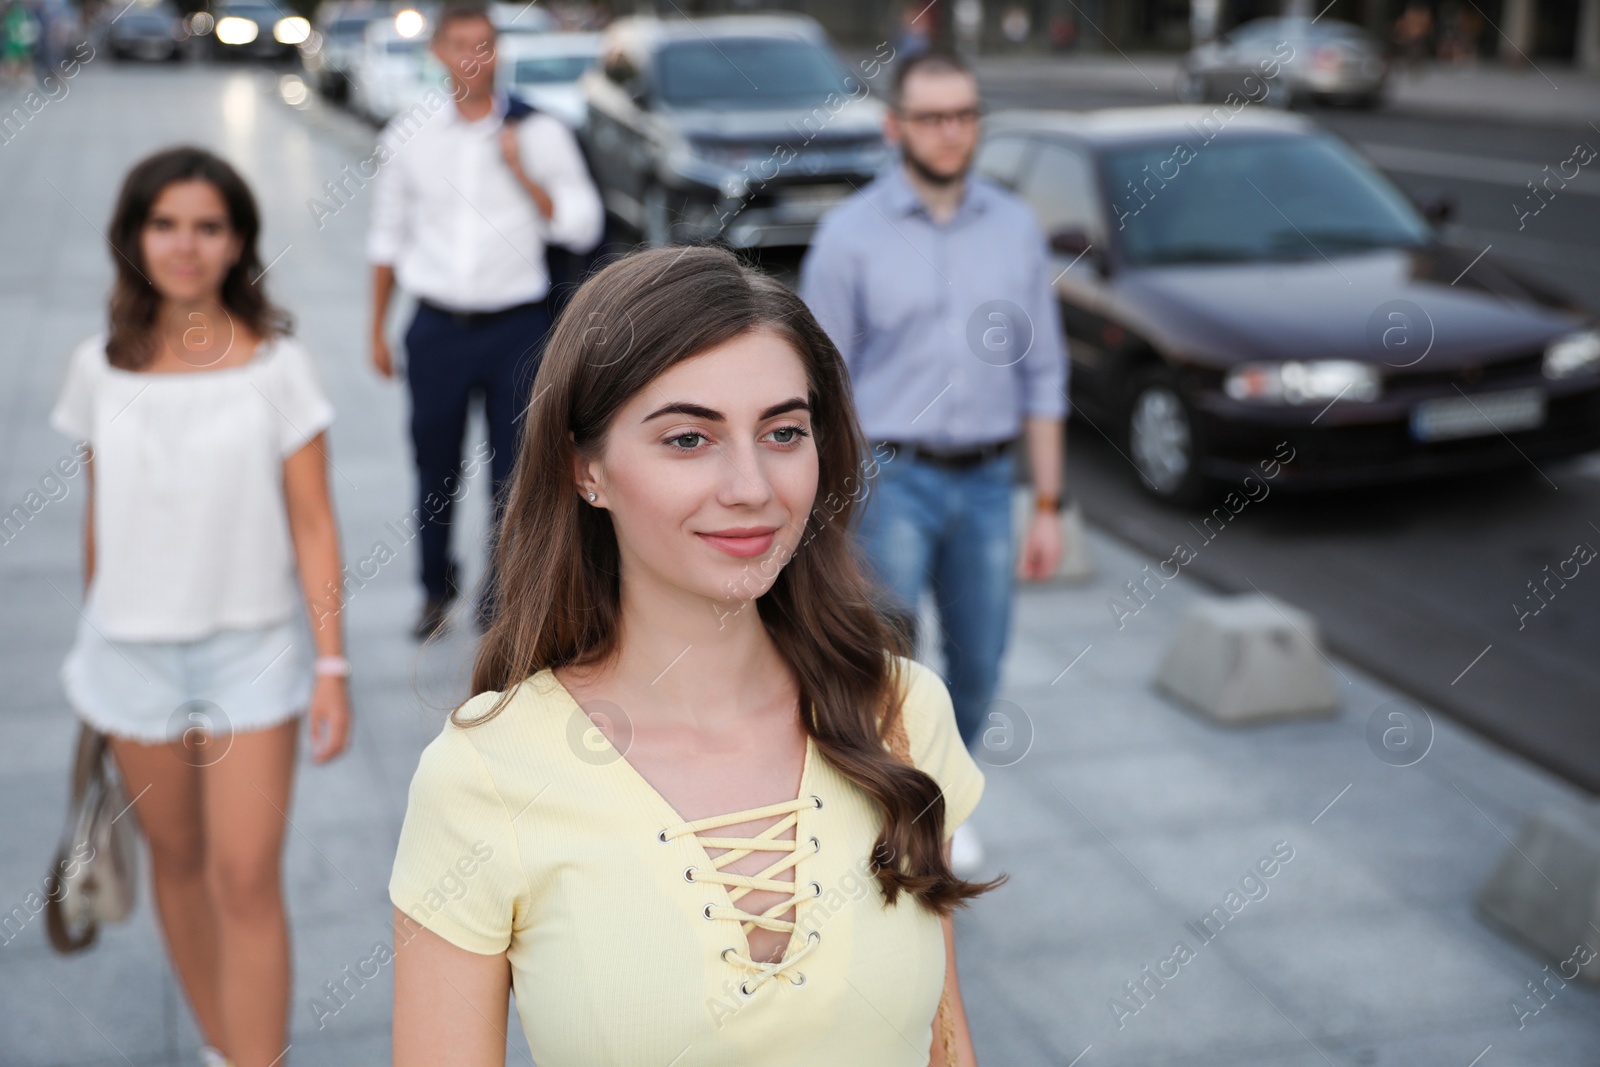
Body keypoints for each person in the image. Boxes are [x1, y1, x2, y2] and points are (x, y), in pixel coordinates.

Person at [388, 245, 1005, 1066]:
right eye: (689, 438)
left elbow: (945, 1039)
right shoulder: (484, 776)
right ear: (586, 469)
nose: (752, 484)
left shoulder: (900, 707)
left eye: (784, 431)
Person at [49, 146, 352, 1067]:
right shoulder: (98, 368)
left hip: (250, 660)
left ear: (238, 242)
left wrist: (332, 664)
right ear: (135, 237)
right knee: (177, 868)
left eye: (208, 226)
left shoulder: (279, 367)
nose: (185, 245)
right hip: (129, 658)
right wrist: (95, 646)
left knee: (245, 878)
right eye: (166, 224)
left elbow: (313, 521)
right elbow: (100, 519)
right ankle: (227, 1047)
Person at [798, 50, 1068, 878]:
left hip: (990, 482)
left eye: (964, 115)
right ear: (895, 127)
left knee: (981, 658)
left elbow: (1045, 368)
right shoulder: (850, 235)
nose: (951, 133)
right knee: (888, 655)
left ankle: (947, 792)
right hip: (892, 478)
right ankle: (898, 803)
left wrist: (1048, 502)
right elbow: (819, 381)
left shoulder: (1015, 227)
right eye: (931, 117)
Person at [367, 2, 604, 640]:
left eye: (487, 44)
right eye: (462, 45)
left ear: (500, 52)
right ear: (439, 53)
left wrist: (523, 172)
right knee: (433, 466)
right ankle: (432, 590)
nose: (476, 57)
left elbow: (583, 224)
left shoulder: (541, 131)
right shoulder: (407, 135)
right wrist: (377, 329)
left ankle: (502, 597)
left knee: (517, 469)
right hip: (437, 327)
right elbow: (387, 238)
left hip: (517, 330)